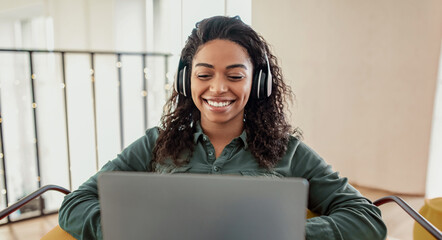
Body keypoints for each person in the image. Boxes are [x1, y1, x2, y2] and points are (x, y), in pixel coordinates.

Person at [58, 16, 387, 240]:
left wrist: (284, 233)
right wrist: (125, 230)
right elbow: (76, 203)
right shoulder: (154, 143)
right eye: (204, 75)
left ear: (258, 83)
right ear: (187, 81)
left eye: (234, 75)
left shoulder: (289, 152)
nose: (217, 89)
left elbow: (366, 218)